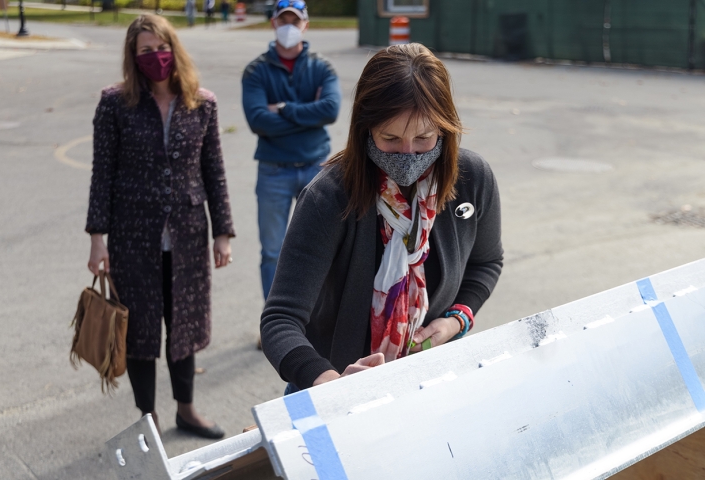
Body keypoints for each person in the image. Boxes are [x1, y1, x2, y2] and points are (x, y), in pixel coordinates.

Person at [260, 43, 503, 393]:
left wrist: (455, 321)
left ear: (445, 129)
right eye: (390, 138)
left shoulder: (473, 178)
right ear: (365, 129)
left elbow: (487, 262)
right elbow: (280, 320)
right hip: (333, 391)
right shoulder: (327, 198)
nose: (407, 153)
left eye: (423, 137)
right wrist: (332, 383)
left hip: (432, 381)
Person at [86, 14, 235, 438]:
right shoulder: (115, 104)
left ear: (175, 48)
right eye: (146, 51)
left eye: (162, 47)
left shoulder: (202, 103)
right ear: (134, 58)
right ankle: (146, 420)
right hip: (132, 237)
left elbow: (215, 172)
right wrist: (98, 239)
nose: (156, 57)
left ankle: (186, 409)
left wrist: (222, 231)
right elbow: (102, 175)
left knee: (183, 328)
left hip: (188, 236)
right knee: (140, 331)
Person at [241, 0, 341, 305]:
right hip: (273, 169)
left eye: (294, 21)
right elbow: (258, 120)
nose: (288, 27)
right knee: (272, 250)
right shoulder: (257, 70)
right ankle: (274, 322)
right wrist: (307, 116)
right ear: (273, 23)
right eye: (283, 20)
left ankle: (315, 320)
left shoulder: (322, 67)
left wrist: (283, 109)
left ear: (305, 25)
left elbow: (331, 109)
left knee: (321, 246)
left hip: (316, 167)